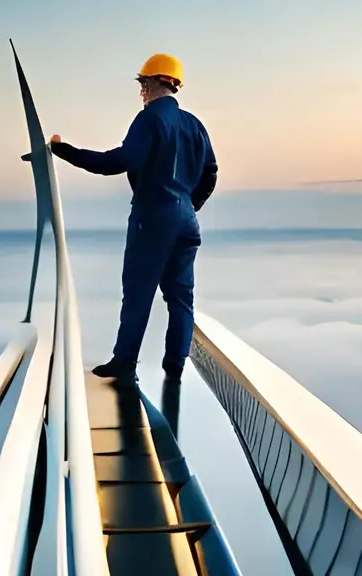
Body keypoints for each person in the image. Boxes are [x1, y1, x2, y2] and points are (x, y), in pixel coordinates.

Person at [49, 53, 218, 386]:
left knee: (138, 291)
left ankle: (125, 362)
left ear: (155, 83)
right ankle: (175, 368)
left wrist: (64, 150)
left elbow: (119, 161)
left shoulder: (150, 118)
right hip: (187, 219)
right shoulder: (195, 125)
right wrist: (189, 204)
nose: (141, 91)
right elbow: (210, 173)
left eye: (143, 83)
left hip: (154, 214)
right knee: (181, 298)